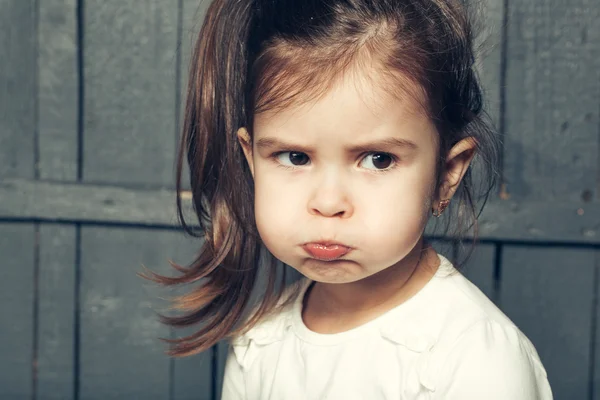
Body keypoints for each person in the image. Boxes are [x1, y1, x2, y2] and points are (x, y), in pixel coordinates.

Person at [144, 0, 553, 398]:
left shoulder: (476, 361)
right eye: (294, 157)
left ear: (446, 174)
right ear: (252, 161)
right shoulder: (261, 338)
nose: (327, 202)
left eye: (378, 160)